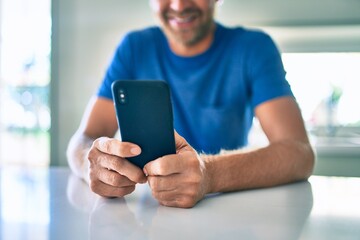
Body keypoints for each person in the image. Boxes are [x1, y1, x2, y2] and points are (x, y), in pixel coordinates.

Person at [67, 0, 315, 208]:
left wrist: (209, 174)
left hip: (226, 210)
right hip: (148, 214)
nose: (179, 5)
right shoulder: (133, 47)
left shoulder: (253, 48)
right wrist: (94, 163)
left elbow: (298, 153)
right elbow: (83, 139)